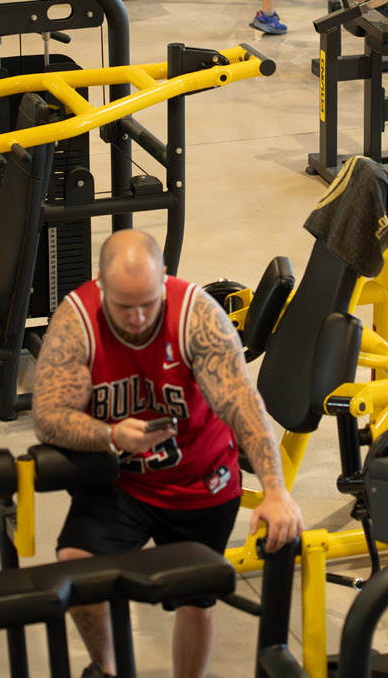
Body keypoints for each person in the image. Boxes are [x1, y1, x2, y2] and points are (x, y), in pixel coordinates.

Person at [33, 228, 303, 678]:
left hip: (201, 480)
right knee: (78, 569)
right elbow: (49, 416)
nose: (138, 318)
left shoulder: (197, 316)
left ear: (163, 279)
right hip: (122, 482)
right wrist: (110, 435)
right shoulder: (76, 322)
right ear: (101, 287)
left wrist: (275, 491)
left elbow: (243, 404)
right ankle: (106, 668)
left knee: (196, 601)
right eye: (124, 306)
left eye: (148, 303)